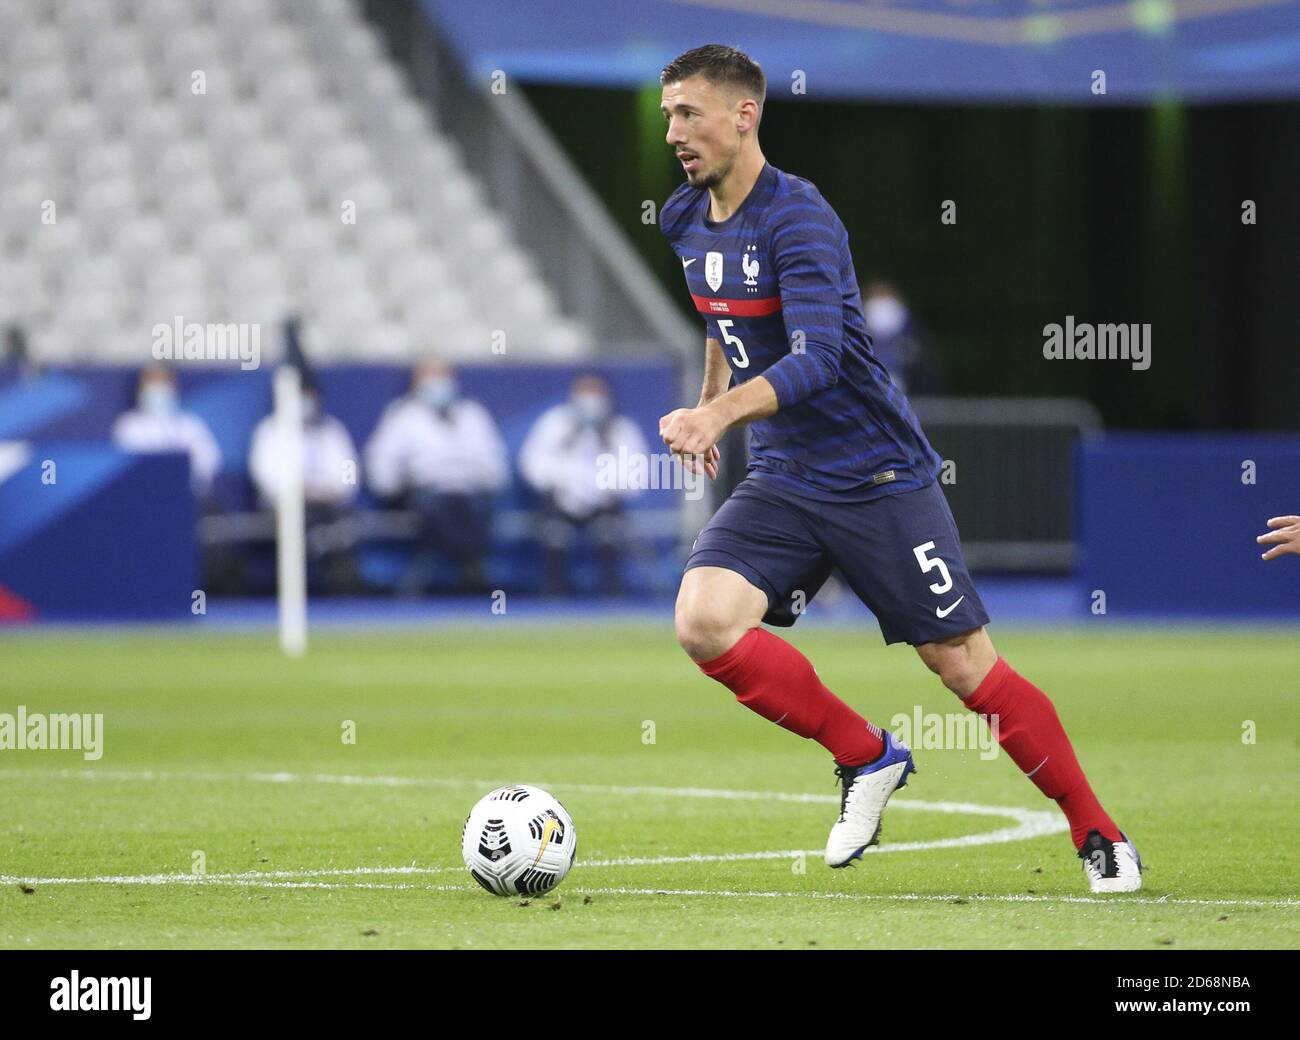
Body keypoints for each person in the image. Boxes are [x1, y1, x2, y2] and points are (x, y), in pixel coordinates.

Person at [656, 44, 1140, 893]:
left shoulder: (799, 218)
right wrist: (708, 406)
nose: (673, 132)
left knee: (963, 668)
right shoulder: (682, 216)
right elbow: (717, 316)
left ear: (745, 115)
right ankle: (867, 757)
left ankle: (1099, 834)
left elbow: (819, 357)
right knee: (702, 621)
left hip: (877, 474)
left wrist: (718, 415)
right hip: (784, 475)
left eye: (689, 113)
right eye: (667, 114)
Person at [365, 359, 508, 594]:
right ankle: (470, 567)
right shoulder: (402, 416)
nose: (438, 385)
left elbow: (495, 465)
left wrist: (476, 477)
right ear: (416, 384)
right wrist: (395, 488)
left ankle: (471, 570)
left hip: (469, 492)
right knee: (442, 507)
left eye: (442, 377)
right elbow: (382, 462)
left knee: (472, 507)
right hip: (426, 494)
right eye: (430, 378)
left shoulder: (473, 415)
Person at [520, 374, 648, 596]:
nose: (590, 403)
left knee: (608, 532)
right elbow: (532, 464)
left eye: (595, 395)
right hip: (560, 502)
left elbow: (637, 475)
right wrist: (563, 483)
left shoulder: (621, 430)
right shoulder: (554, 424)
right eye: (584, 395)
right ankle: (554, 595)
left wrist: (603, 488)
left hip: (604, 503)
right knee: (555, 535)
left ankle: (611, 597)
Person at [248, 382, 361, 594]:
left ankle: (344, 593)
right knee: (298, 519)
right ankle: (313, 555)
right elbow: (264, 476)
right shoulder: (270, 431)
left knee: (345, 524)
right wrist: (297, 490)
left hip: (328, 506)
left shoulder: (332, 431)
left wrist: (334, 490)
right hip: (287, 507)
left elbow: (349, 471)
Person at [112, 365, 221, 498]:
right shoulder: (129, 425)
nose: (158, 388)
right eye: (152, 382)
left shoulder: (191, 424)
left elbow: (209, 461)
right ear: (140, 389)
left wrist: (180, 479)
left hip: (187, 495)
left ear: (173, 386)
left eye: (162, 382)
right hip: (143, 496)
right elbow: (127, 466)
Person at [860, 280, 943, 395]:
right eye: (877, 295)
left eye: (884, 295)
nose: (881, 303)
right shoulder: (857, 322)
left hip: (907, 386)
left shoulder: (910, 324)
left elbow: (920, 358)